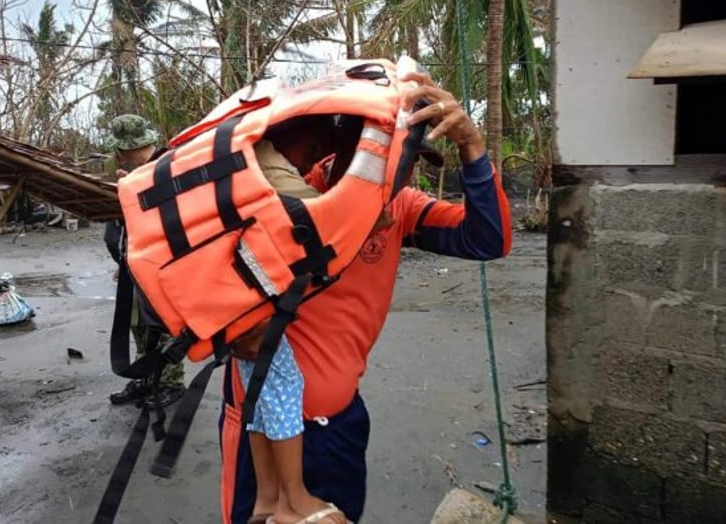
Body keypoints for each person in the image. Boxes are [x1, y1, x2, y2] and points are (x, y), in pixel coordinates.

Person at [219, 69, 512, 524]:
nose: (403, 171)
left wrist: (472, 148)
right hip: (264, 431)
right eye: (395, 155)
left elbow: (487, 239)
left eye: (412, 159)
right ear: (353, 143)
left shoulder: (401, 209)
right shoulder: (282, 193)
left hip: (338, 424)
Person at [235, 116, 347, 524]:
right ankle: (294, 499)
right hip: (245, 306)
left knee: (260, 387)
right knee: (283, 384)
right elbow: (324, 217)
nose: (307, 167)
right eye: (312, 155)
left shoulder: (241, 156)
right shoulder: (270, 166)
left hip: (233, 304)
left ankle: (267, 497)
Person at [103, 114, 186, 408]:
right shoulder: (138, 172)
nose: (118, 154)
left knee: (161, 324)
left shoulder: (167, 166)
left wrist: (135, 187)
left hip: (161, 265)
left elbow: (168, 215)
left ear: (129, 145)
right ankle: (147, 376)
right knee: (137, 323)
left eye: (120, 148)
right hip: (136, 264)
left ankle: (171, 382)